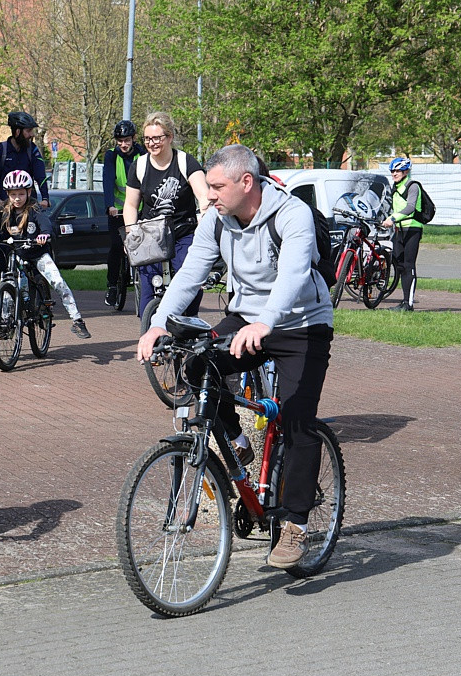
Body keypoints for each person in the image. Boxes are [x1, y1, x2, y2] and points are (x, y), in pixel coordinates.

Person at [137, 144, 333, 569]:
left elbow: (295, 274)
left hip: (301, 322)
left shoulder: (291, 214)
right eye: (208, 186)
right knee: (195, 366)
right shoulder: (217, 220)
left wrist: (266, 323)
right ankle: (240, 444)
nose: (210, 195)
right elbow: (191, 272)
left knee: (298, 418)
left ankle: (295, 524)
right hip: (245, 317)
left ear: (247, 182)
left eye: (216, 186)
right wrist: (159, 323)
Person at [0, 170, 91, 339]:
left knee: (58, 281)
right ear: (7, 194)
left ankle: (77, 320)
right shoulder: (4, 212)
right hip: (15, 254)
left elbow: (45, 223)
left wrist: (44, 234)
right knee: (8, 285)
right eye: (13, 194)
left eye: (21, 193)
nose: (17, 198)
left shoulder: (34, 209)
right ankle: (5, 322)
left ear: (29, 192)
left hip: (37, 253)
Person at [122, 112, 209, 318]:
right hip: (150, 234)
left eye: (157, 138)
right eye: (147, 139)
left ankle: (189, 322)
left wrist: (205, 217)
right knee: (147, 284)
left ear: (169, 137)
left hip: (182, 232)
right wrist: (131, 233)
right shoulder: (140, 165)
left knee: (190, 279)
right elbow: (131, 204)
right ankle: (149, 335)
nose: (152, 143)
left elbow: (204, 197)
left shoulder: (185, 162)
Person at [102, 119, 146, 306]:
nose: (123, 144)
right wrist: (109, 205)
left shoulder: (143, 154)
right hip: (118, 211)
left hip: (141, 208)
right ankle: (112, 286)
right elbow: (108, 181)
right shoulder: (111, 156)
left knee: (145, 249)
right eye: (120, 141)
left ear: (133, 139)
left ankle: (148, 284)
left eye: (127, 140)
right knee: (115, 247)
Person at [382, 157, 424, 311]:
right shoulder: (395, 187)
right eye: (392, 171)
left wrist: (392, 219)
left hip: (412, 228)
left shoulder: (412, 186)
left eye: (398, 170)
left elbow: (411, 207)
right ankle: (404, 301)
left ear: (406, 171)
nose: (394, 173)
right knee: (399, 265)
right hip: (399, 229)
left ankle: (409, 303)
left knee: (408, 265)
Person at [0, 111, 50, 210]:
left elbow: (40, 176)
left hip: (29, 205)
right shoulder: (0, 150)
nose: (32, 134)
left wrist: (45, 198)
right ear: (17, 132)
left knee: (40, 224)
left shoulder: (32, 150)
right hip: (6, 205)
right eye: (28, 131)